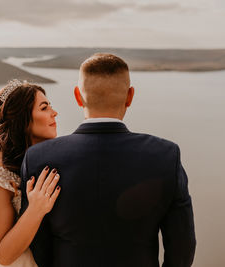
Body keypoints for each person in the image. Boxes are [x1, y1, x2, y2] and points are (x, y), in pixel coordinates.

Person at [20, 53, 196, 267]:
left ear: (77, 96)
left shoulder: (39, 158)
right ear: (130, 96)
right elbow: (182, 246)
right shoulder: (166, 155)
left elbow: (38, 245)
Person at [0, 80, 61, 267]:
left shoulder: (51, 156)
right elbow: (3, 256)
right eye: (44, 108)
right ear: (22, 119)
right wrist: (36, 209)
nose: (54, 113)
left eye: (50, 106)